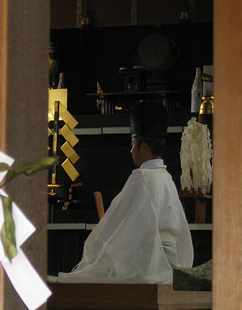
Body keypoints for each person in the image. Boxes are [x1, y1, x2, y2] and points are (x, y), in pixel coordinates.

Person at [56, 100, 194, 284]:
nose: (130, 150)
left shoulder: (143, 178)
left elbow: (117, 231)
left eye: (133, 144)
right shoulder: (166, 178)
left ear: (143, 146)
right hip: (171, 265)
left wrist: (97, 250)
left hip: (151, 266)